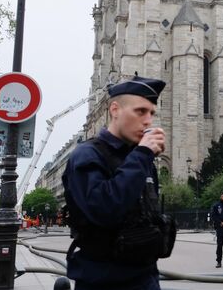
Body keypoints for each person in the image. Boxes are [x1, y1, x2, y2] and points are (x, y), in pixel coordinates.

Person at [62, 76, 169, 290]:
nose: (148, 120)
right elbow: (104, 208)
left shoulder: (141, 157)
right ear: (115, 110)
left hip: (145, 276)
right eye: (140, 112)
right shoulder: (88, 155)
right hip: (104, 279)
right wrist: (142, 154)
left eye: (151, 113)